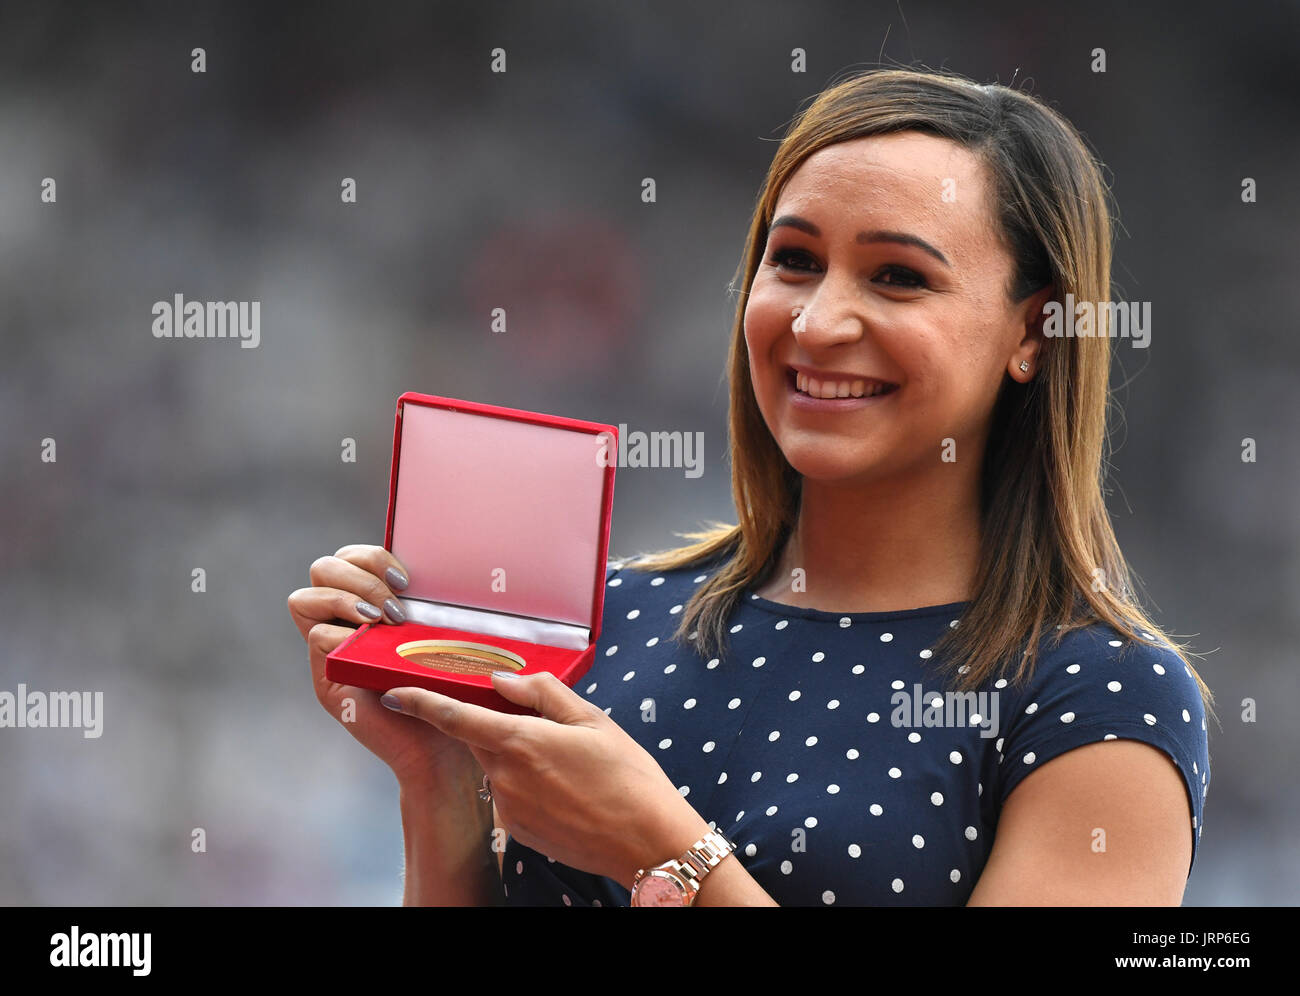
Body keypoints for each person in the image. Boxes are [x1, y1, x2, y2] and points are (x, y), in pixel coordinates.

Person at [287, 66, 1214, 906]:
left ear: (1034, 335)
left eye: (897, 277)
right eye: (795, 260)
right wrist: (438, 781)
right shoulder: (602, 619)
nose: (816, 322)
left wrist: (668, 854)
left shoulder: (1096, 696)